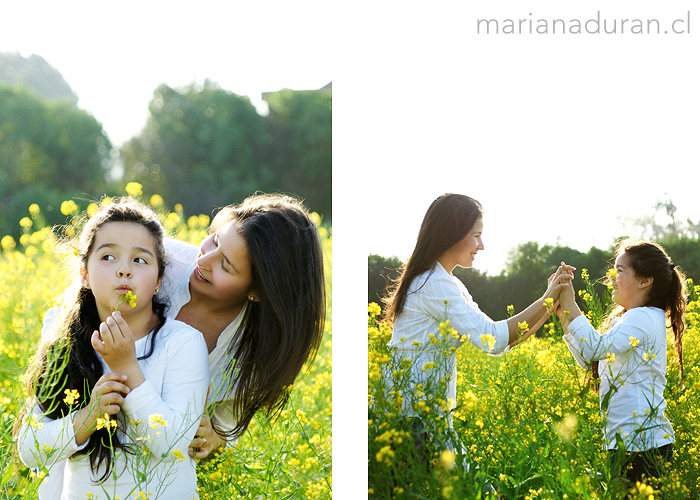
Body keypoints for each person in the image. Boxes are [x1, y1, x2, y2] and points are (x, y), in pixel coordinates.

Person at [30, 192, 326, 499]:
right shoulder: (156, 263)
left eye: (226, 265)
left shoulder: (260, 349)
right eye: (213, 240)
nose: (205, 260)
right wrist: (56, 380)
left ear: (257, 291)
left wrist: (217, 438)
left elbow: (225, 421)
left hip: (157, 474)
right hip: (88, 452)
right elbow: (71, 314)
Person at [17, 198, 209, 499]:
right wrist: (89, 417)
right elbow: (30, 450)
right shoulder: (64, 341)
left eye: (140, 260)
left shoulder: (183, 342)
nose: (124, 271)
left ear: (158, 280)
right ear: (84, 273)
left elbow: (172, 444)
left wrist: (126, 367)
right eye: (108, 257)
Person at [382, 193, 572, 434]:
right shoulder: (433, 283)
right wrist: (546, 300)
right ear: (451, 234)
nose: (481, 246)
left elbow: (503, 341)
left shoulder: (447, 282)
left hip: (426, 415)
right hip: (412, 420)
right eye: (476, 236)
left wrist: (549, 303)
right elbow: (492, 338)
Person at [557, 239, 685, 488]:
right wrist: (566, 317)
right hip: (629, 440)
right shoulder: (632, 318)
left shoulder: (645, 317)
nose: (611, 278)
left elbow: (594, 348)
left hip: (642, 444)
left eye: (620, 271)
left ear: (644, 280)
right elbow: (589, 359)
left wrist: (572, 303)